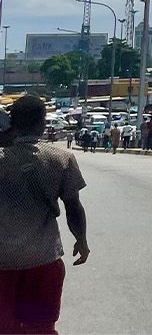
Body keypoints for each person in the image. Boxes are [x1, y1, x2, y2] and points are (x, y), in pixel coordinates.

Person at [0, 94, 90, 335]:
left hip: (2, 265)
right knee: (41, 328)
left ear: (13, 123)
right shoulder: (61, 158)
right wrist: (81, 241)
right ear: (43, 122)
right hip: (43, 260)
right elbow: (74, 207)